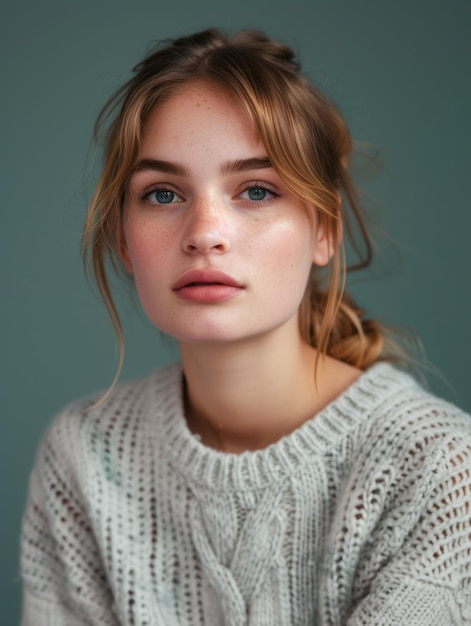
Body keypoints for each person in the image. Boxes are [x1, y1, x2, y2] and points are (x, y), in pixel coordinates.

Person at [20, 28, 471, 626]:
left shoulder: (439, 468)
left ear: (324, 230)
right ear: (122, 240)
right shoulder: (85, 456)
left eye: (256, 190)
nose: (206, 231)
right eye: (161, 194)